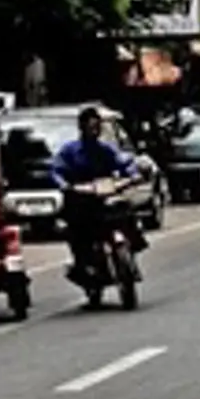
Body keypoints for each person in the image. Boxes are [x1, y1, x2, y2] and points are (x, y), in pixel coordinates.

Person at [52, 107, 139, 287]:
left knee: (125, 212)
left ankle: (133, 246)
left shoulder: (106, 149)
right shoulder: (70, 151)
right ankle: (84, 264)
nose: (94, 131)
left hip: (105, 195)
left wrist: (132, 174)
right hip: (81, 199)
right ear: (82, 128)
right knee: (77, 230)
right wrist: (65, 185)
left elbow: (123, 162)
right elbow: (56, 171)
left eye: (97, 127)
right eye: (90, 127)